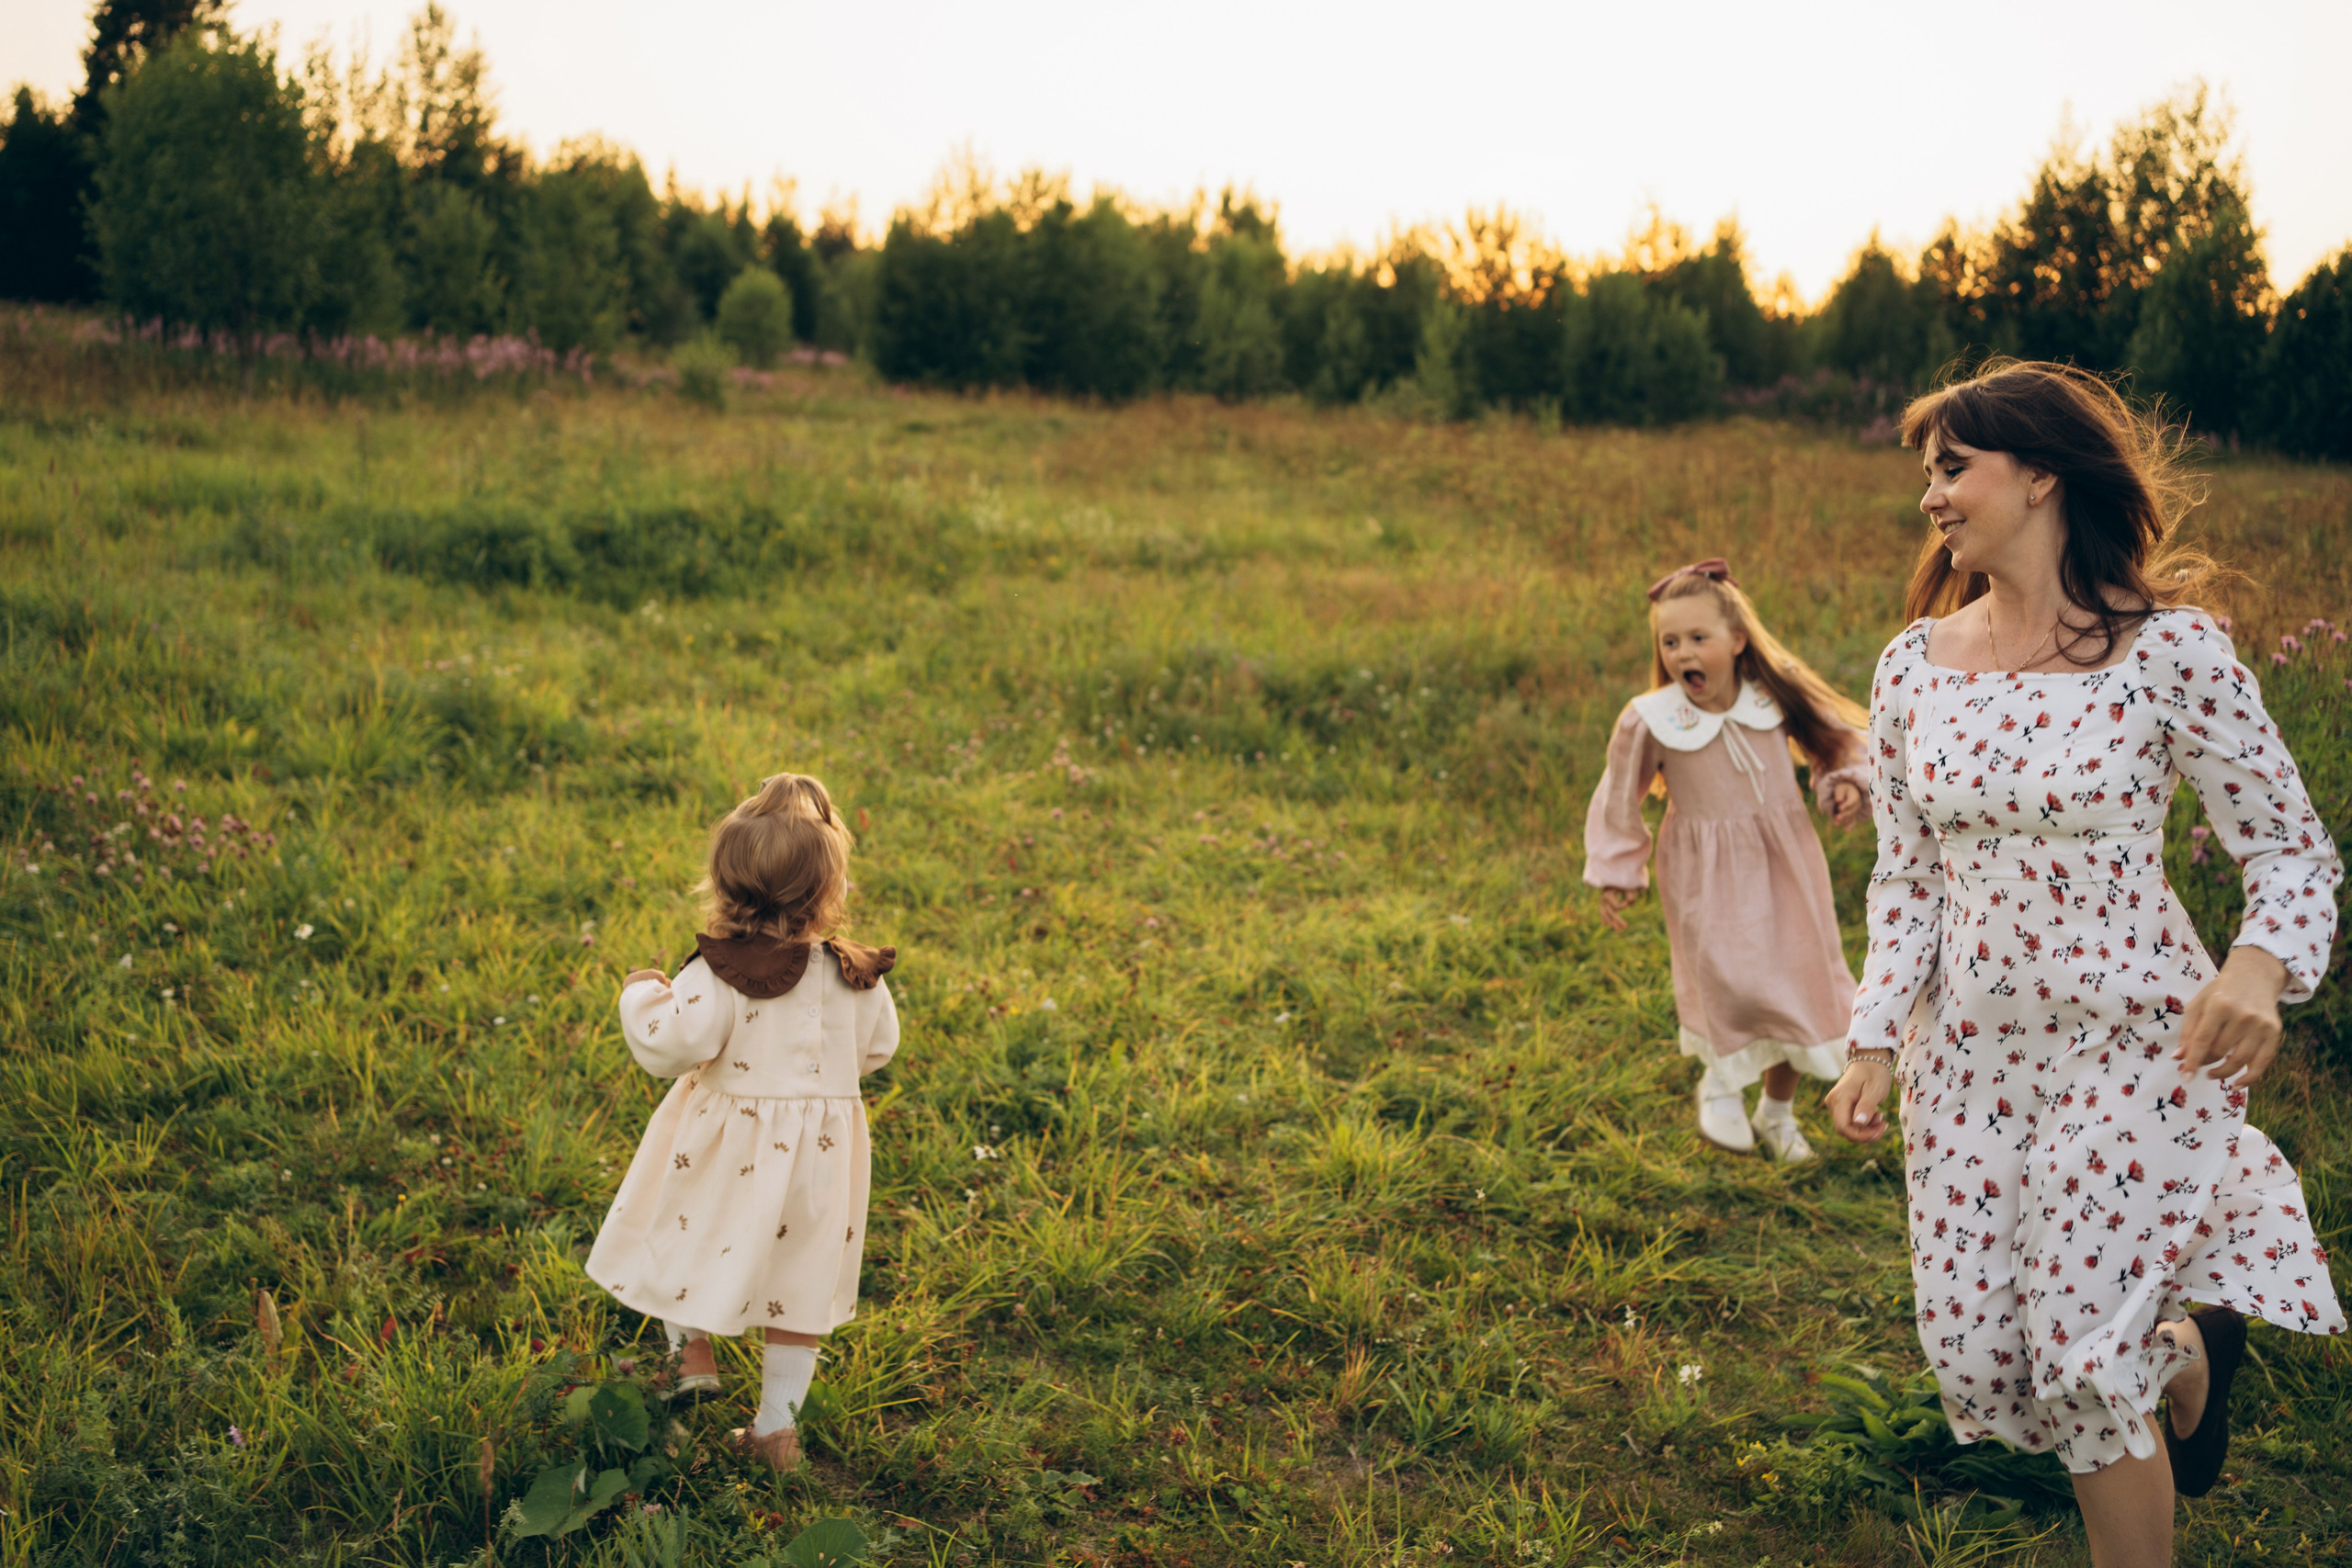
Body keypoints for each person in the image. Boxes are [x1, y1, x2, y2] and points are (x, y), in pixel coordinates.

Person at [1824, 361, 2344, 1567]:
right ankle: (2189, 1361)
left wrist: (2260, 967)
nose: (1932, 499)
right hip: (1966, 1060)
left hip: (2135, 1049)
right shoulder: (1913, 667)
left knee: (2075, 1354)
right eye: (1927, 475)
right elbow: (1907, 874)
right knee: (1981, 1352)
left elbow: (2293, 852)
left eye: (1953, 469)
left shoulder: (2167, 654)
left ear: (2042, 474)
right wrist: (1871, 1034)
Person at [584, 773, 899, 1471]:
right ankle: (776, 1431)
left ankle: (691, 1352)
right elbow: (878, 1049)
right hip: (820, 1161)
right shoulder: (855, 973)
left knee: (685, 1230)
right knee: (801, 1277)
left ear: (725, 886)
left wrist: (643, 994)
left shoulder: (718, 972)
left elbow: (672, 1045)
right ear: (828, 890)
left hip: (725, 1147)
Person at [1586, 559, 1871, 1160]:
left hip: (1787, 865)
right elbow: (1619, 795)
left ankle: (1775, 1112)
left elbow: (1839, 739)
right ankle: (1720, 1084)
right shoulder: (1653, 719)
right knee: (1733, 983)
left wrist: (1845, 782)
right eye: (1669, 641)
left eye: (1697, 638)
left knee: (1795, 984)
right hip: (1706, 876)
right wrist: (1618, 869)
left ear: (1736, 640)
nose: (1681, 651)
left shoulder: (1774, 694)